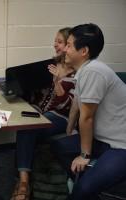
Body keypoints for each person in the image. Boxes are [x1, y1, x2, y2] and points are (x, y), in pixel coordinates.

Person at [51, 23, 126, 200]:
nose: (64, 50)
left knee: (83, 190)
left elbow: (87, 118)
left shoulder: (93, 71)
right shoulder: (84, 71)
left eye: (69, 45)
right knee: (59, 146)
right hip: (102, 139)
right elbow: (77, 107)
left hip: (121, 145)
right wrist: (71, 130)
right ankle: (88, 185)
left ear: (83, 51)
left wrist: (84, 155)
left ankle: (85, 188)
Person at [11, 28, 76, 200]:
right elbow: (36, 94)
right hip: (40, 112)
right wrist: (16, 87)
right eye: (56, 41)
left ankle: (23, 183)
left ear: (71, 46)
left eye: (61, 42)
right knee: (23, 123)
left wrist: (58, 82)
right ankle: (24, 178)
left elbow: (69, 105)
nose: (55, 44)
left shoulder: (79, 72)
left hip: (63, 117)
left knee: (29, 128)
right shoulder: (50, 65)